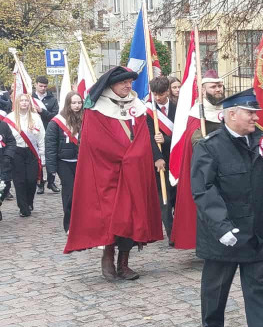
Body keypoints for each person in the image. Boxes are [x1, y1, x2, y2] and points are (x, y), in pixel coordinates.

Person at [192, 89, 263, 327]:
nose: (255, 118)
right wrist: (221, 227)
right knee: (217, 283)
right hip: (225, 229)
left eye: (255, 113)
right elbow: (203, 190)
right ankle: (213, 323)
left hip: (255, 228)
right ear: (231, 114)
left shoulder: (261, 142)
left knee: (258, 283)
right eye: (250, 113)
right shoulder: (210, 146)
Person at [64, 66, 164, 280]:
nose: (128, 86)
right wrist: (124, 156)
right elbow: (94, 143)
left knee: (131, 216)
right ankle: (108, 256)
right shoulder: (96, 110)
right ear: (111, 85)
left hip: (134, 173)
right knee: (111, 217)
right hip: (107, 173)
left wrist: (139, 155)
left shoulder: (137, 107)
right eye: (123, 83)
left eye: (130, 83)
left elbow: (143, 137)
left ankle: (124, 263)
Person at [170, 71, 225, 251]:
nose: (218, 90)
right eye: (213, 87)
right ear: (203, 90)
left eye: (220, 86)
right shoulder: (196, 114)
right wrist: (201, 139)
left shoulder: (226, 109)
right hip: (206, 168)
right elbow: (192, 140)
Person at [46, 92, 84, 232]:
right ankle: (69, 224)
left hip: (81, 161)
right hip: (64, 161)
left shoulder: (85, 119)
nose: (76, 105)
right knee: (70, 191)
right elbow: (50, 145)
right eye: (73, 103)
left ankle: (81, 221)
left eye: (79, 102)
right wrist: (51, 168)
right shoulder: (56, 122)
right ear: (68, 103)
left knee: (82, 192)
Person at [147, 75, 177, 238]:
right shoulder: (148, 111)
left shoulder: (177, 107)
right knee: (164, 197)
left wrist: (165, 139)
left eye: (161, 93)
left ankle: (180, 227)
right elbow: (148, 137)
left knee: (177, 196)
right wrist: (157, 157)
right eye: (155, 94)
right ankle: (171, 234)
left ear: (168, 91)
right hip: (160, 161)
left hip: (176, 157)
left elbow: (181, 135)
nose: (158, 97)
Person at [8, 94, 45, 217]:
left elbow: (41, 138)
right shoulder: (10, 118)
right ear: (17, 103)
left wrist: (42, 156)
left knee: (31, 180)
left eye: (26, 101)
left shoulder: (35, 118)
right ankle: (23, 208)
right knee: (19, 182)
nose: (24, 103)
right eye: (22, 101)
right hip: (16, 152)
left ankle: (29, 202)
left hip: (31, 152)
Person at [34, 76, 60, 194]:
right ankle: (40, 183)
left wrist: (42, 111)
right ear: (36, 85)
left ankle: (51, 181)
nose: (43, 88)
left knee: (50, 157)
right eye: (41, 86)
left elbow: (54, 116)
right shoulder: (30, 98)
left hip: (48, 131)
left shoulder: (52, 99)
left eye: (45, 86)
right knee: (37, 158)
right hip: (34, 131)